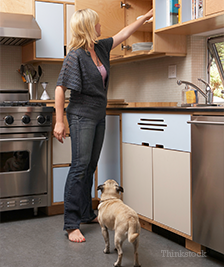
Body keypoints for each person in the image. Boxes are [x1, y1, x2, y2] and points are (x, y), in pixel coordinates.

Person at [53, 8, 153, 243]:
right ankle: (71, 224)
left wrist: (145, 18)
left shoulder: (100, 48)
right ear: (88, 27)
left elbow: (124, 33)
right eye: (97, 24)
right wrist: (59, 121)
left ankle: (87, 213)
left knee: (90, 166)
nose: (100, 27)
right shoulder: (75, 56)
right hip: (80, 116)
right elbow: (60, 88)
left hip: (98, 115)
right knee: (79, 167)